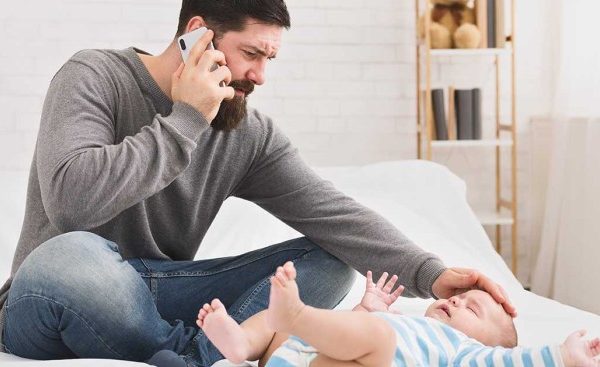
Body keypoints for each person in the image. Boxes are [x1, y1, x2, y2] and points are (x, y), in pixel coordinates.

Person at [0, 1, 515, 365]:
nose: (261, 75)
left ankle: (214, 355)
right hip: (52, 293)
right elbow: (71, 202)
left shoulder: (245, 132)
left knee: (332, 259)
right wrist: (186, 119)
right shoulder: (92, 76)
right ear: (198, 34)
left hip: (159, 291)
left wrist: (435, 275)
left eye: (270, 59)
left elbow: (333, 215)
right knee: (73, 258)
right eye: (252, 54)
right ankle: (193, 351)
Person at [197, 262, 600, 367]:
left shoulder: (462, 352)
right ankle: (240, 344)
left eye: (472, 309)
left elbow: (512, 362)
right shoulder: (407, 321)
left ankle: (297, 316)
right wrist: (366, 309)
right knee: (271, 321)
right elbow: (345, 332)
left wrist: (564, 356)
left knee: (379, 339)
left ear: (484, 344)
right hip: (293, 352)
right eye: (462, 298)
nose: (458, 301)